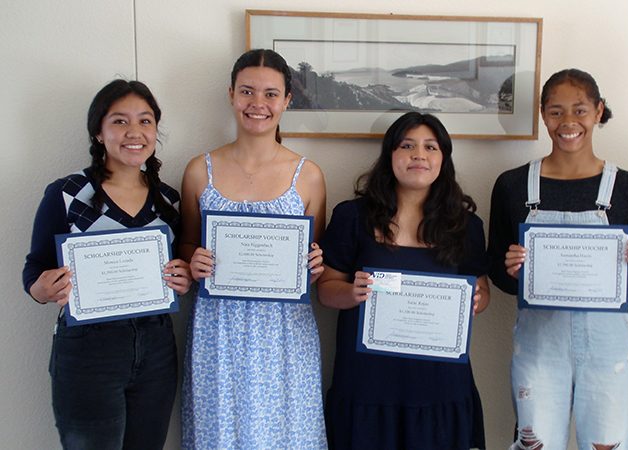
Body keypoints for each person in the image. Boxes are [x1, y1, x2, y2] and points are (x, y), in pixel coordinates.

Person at [487, 69, 628, 450]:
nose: (568, 123)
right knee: (537, 444)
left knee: (608, 444)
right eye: (556, 112)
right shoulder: (512, 185)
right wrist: (512, 269)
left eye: (580, 110)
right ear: (542, 115)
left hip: (609, 348)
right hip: (538, 345)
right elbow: (496, 274)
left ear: (599, 111)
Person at [22, 79, 192, 449]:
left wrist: (183, 278)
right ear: (98, 132)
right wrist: (43, 288)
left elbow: (178, 269)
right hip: (87, 351)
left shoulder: (168, 199)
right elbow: (33, 272)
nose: (134, 132)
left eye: (145, 121)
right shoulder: (67, 194)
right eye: (119, 121)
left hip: (156, 348)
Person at [179, 49, 328, 449]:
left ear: (287, 100)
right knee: (220, 433)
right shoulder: (199, 170)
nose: (257, 104)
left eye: (270, 94)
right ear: (231, 95)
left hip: (284, 333)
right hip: (217, 329)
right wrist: (193, 261)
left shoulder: (308, 176)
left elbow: (316, 257)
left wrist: (315, 264)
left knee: (287, 432)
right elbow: (187, 243)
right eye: (247, 91)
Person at [317, 112, 489, 450]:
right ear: (390, 154)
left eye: (430, 147)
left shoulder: (466, 225)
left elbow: (482, 291)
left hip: (439, 384)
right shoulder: (352, 217)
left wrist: (478, 300)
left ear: (444, 158)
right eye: (407, 145)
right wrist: (352, 293)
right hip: (368, 381)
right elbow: (325, 290)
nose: (419, 155)